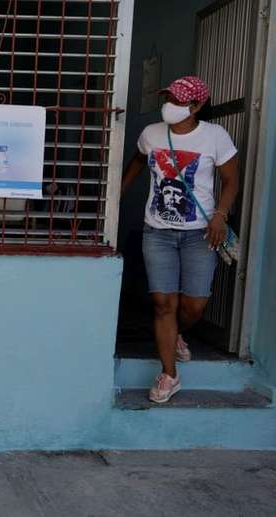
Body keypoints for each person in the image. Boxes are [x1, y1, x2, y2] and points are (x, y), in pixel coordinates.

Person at [121, 76, 239, 404]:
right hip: (157, 231)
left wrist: (220, 214)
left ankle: (176, 335)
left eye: (178, 99)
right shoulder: (152, 134)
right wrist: (119, 193)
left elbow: (230, 180)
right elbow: (137, 161)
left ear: (197, 106)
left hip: (200, 233)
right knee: (163, 305)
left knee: (193, 305)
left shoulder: (215, 137)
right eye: (168, 97)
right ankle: (169, 374)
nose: (169, 104)